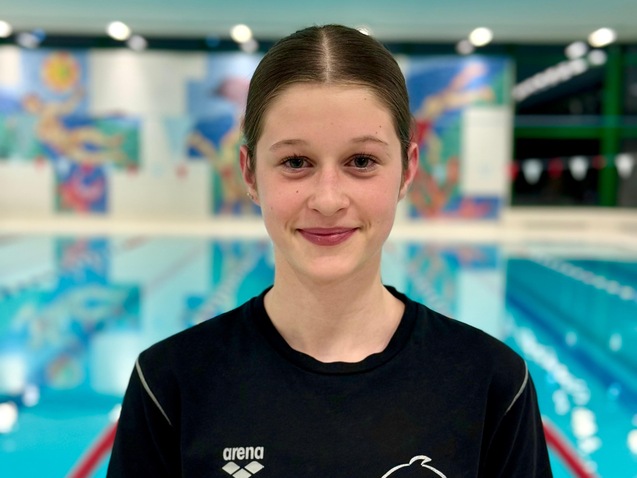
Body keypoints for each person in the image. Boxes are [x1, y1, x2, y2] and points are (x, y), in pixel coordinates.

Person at [107, 25, 552, 477]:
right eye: (295, 162)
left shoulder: (491, 385)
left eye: (362, 161)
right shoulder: (170, 385)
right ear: (250, 173)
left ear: (406, 171)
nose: (327, 199)